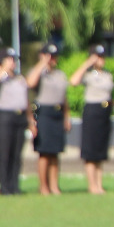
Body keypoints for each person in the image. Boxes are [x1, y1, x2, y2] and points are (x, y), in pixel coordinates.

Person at [0, 48, 31, 196]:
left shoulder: (19, 78)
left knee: (16, 153)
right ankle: (5, 186)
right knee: (4, 153)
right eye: (9, 59)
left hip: (19, 116)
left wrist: (30, 119)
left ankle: (14, 185)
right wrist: (0, 71)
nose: (13, 63)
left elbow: (25, 100)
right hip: (3, 117)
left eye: (14, 60)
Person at [70, 44, 114, 196]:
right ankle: (92, 185)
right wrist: (87, 64)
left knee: (101, 150)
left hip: (105, 112)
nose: (101, 59)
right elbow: (74, 81)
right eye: (98, 56)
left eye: (102, 56)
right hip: (92, 112)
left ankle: (99, 184)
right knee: (91, 150)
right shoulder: (88, 74)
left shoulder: (107, 74)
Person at [27, 43, 71, 196]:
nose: (52, 59)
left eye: (54, 56)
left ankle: (54, 186)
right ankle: (43, 186)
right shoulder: (38, 72)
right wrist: (42, 63)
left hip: (57, 113)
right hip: (43, 113)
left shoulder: (60, 74)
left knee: (55, 152)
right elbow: (30, 83)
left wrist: (67, 116)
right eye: (49, 56)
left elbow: (64, 98)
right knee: (44, 152)